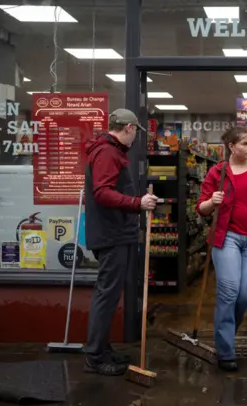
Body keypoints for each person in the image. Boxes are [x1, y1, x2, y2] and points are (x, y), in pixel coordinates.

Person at [83, 108, 159, 376]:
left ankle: (102, 349)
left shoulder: (111, 151)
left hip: (115, 232)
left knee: (111, 293)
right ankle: (94, 356)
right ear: (129, 128)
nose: (136, 137)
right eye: (136, 131)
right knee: (107, 294)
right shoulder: (107, 152)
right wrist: (137, 203)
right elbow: (102, 193)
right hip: (111, 234)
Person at [196, 126, 247, 372]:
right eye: (244, 144)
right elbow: (202, 207)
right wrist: (212, 202)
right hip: (227, 238)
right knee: (229, 292)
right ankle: (226, 350)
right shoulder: (217, 172)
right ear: (231, 147)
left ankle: (227, 328)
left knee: (246, 294)